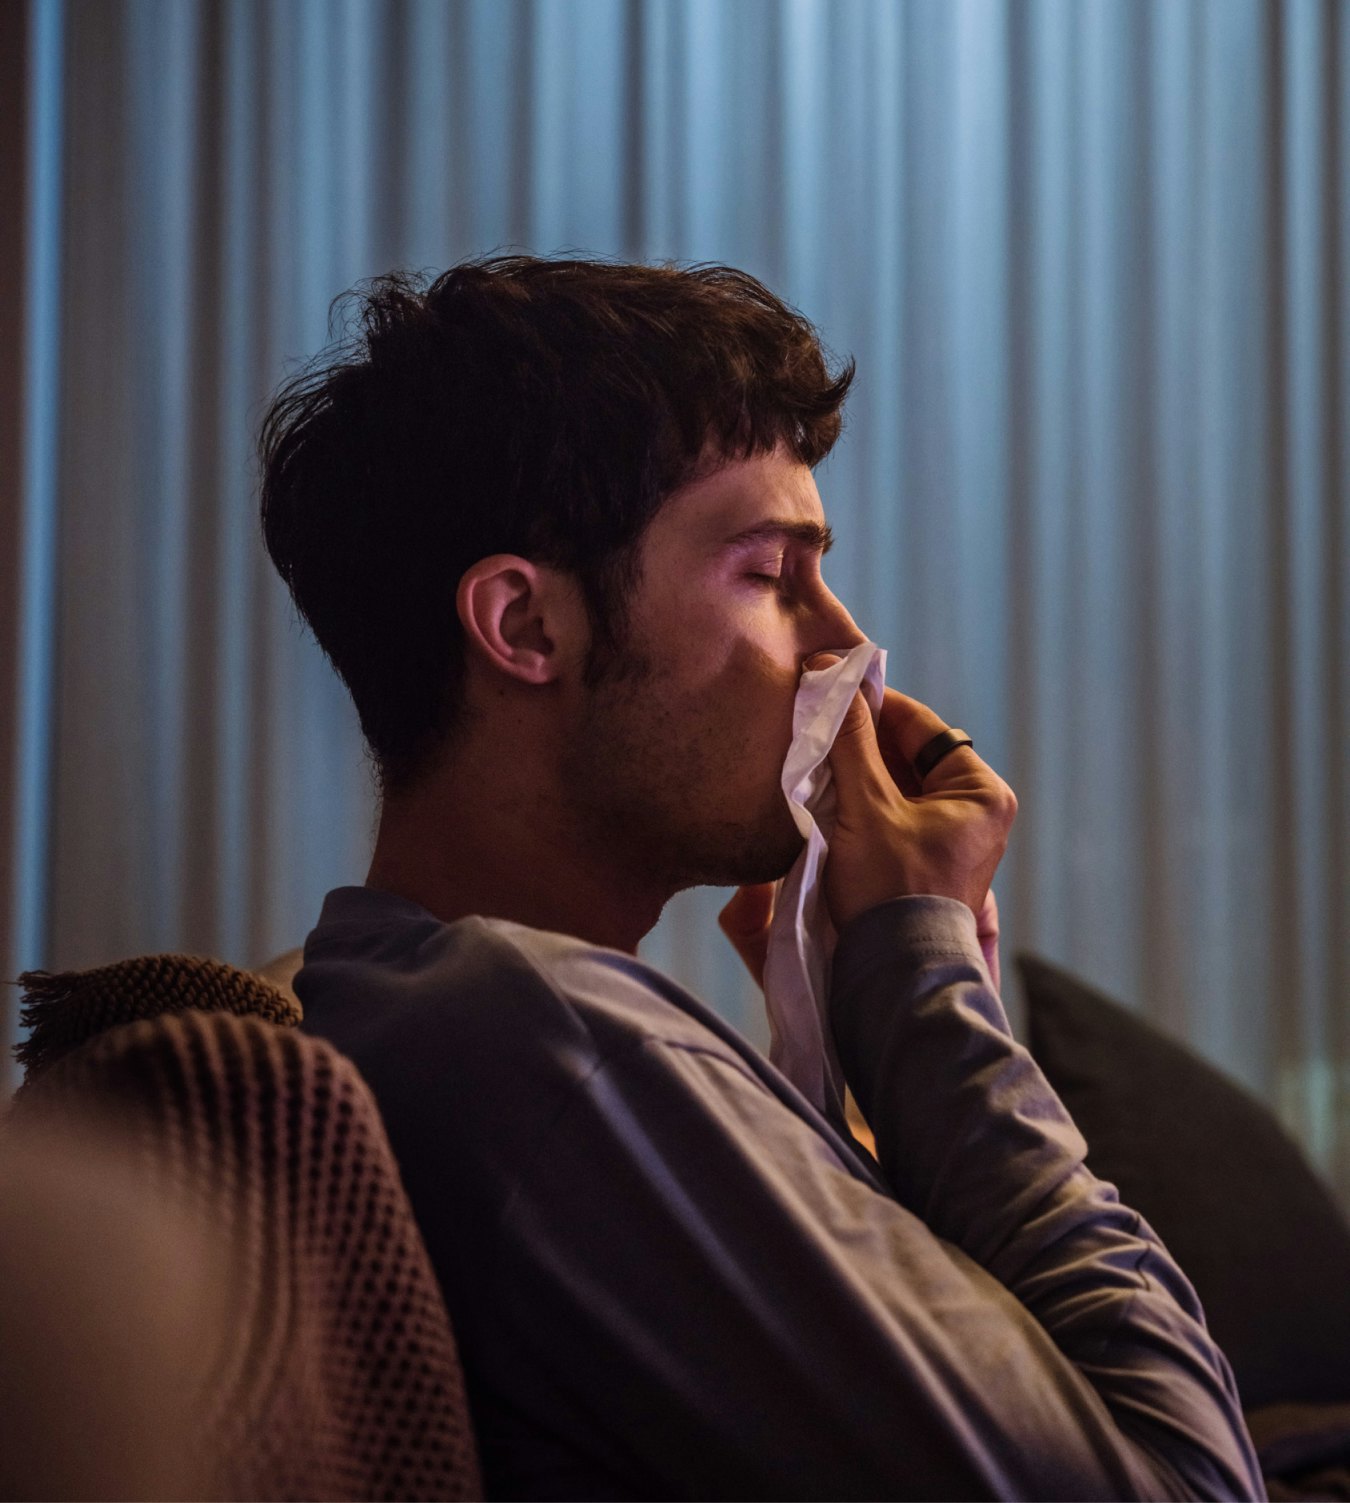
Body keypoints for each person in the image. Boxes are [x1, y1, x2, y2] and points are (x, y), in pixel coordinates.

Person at [260, 255, 1263, 1501]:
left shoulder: (403, 999)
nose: (844, 645)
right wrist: (924, 985)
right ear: (525, 626)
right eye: (770, 574)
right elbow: (1193, 1485)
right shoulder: (545, 1036)